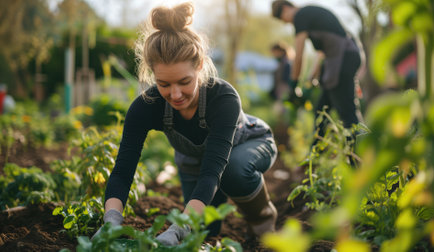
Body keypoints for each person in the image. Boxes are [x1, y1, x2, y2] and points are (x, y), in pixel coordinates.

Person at [94, 2, 278, 246]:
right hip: (194, 160)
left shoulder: (223, 98)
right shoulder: (145, 106)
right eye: (164, 84)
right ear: (152, 74)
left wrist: (178, 227)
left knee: (233, 171)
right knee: (205, 230)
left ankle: (264, 225)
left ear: (200, 65)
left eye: (184, 81)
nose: (176, 94)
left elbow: (213, 171)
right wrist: (111, 222)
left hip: (248, 143)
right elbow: (123, 169)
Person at [271, 0, 364, 149]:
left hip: (343, 59)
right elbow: (320, 54)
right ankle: (313, 160)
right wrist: (310, 78)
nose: (287, 23)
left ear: (286, 8)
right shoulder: (310, 15)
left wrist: (294, 84)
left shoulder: (300, 15)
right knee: (321, 113)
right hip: (340, 59)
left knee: (347, 114)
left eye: (283, 19)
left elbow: (299, 54)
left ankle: (362, 159)